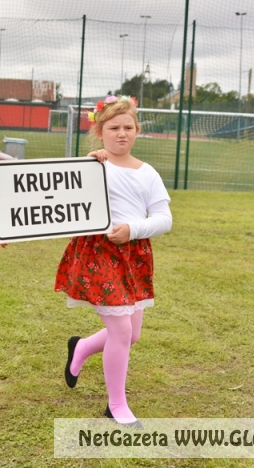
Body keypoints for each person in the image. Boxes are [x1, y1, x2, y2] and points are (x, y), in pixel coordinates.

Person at [55, 95, 172, 427]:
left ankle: (80, 348)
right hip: (99, 255)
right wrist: (88, 166)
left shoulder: (148, 173)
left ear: (137, 131)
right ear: (100, 131)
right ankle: (116, 404)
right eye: (113, 128)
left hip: (133, 255)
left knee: (131, 334)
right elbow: (69, 198)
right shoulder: (94, 166)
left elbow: (164, 218)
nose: (121, 134)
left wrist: (133, 230)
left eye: (128, 127)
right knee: (121, 330)